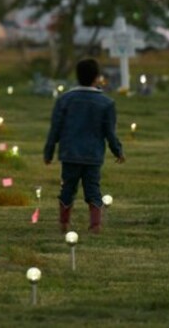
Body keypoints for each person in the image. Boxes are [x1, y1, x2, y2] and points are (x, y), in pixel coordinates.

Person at [43, 58, 125, 234]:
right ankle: (95, 225)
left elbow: (55, 128)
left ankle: (64, 223)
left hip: (70, 153)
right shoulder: (106, 103)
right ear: (97, 78)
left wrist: (49, 151)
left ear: (77, 75)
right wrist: (117, 150)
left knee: (67, 188)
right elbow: (109, 131)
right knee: (93, 189)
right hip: (93, 154)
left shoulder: (65, 100)